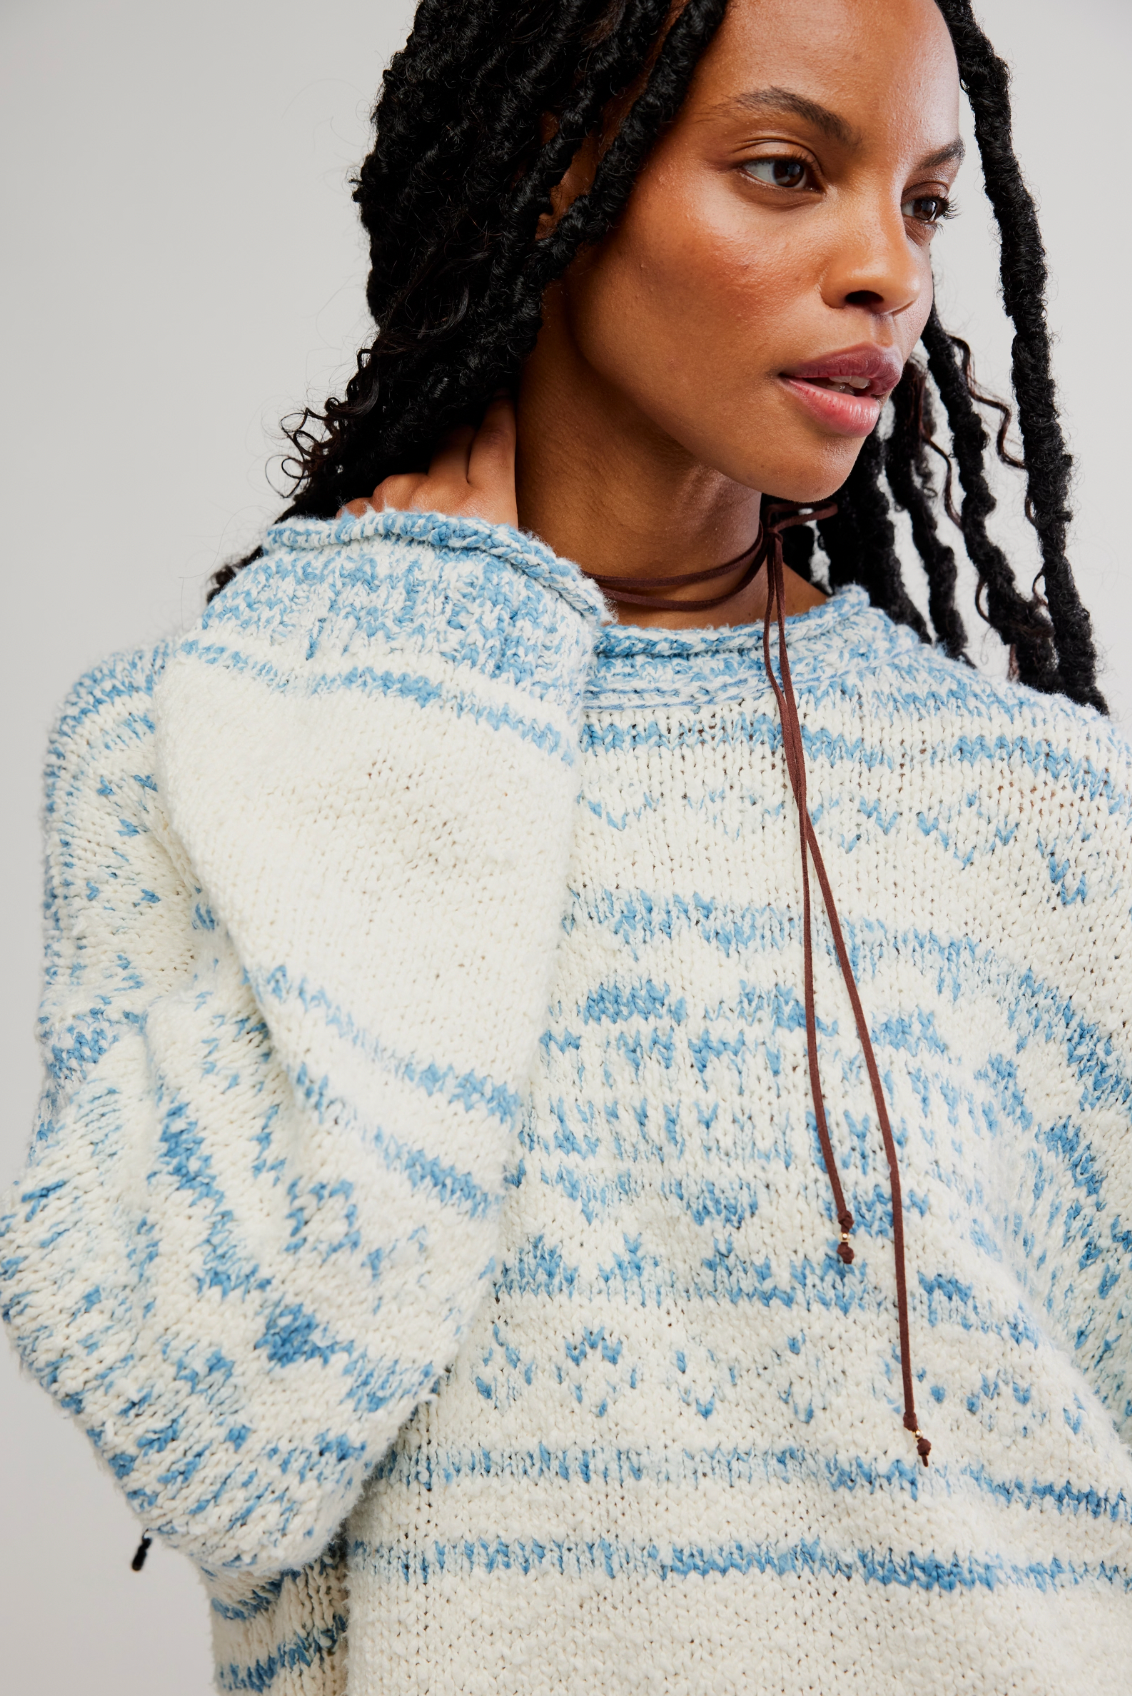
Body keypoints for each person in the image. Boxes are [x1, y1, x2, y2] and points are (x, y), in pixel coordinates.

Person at [2, 0, 1129, 1691]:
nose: (886, 269)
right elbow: (215, 1442)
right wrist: (429, 713)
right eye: (784, 169)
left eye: (923, 203)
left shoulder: (1042, 815)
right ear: (555, 174)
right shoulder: (202, 749)